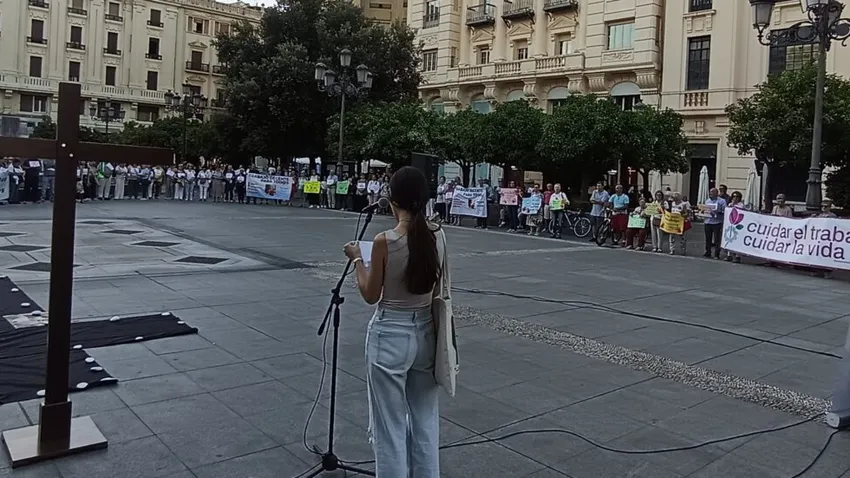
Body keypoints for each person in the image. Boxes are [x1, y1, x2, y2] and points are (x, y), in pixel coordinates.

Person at [343, 166, 443, 478]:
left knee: (389, 425)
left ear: (391, 199)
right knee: (425, 420)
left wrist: (357, 259)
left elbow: (371, 294)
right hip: (426, 332)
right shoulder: (437, 236)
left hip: (390, 333)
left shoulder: (385, 240)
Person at [702, 187, 727, 259]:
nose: (710, 194)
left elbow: (725, 211)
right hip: (708, 221)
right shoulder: (707, 201)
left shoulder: (722, 201)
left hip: (717, 222)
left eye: (712, 192)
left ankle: (716, 254)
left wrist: (717, 212)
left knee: (717, 239)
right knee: (708, 238)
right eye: (710, 192)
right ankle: (708, 252)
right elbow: (705, 210)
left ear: (716, 193)